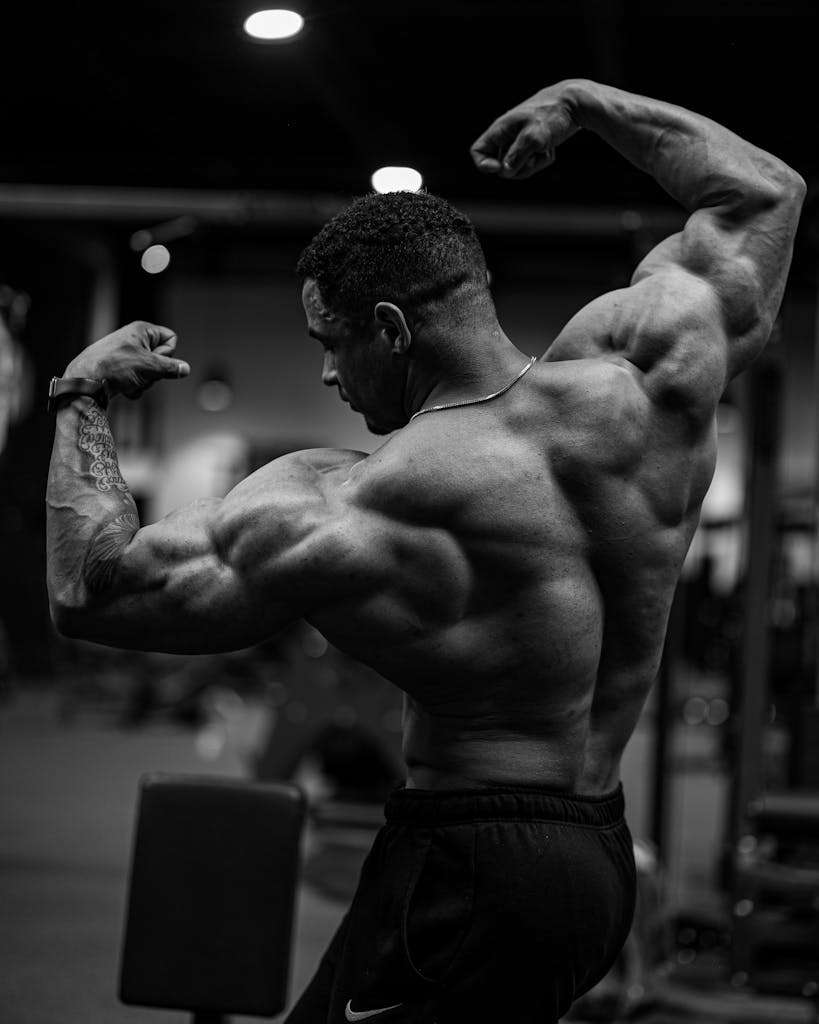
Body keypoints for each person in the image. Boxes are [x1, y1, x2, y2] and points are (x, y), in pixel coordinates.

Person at [45, 80, 804, 1023]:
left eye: (332, 342)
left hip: (473, 871)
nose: (328, 371)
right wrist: (584, 104)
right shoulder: (643, 381)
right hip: (597, 859)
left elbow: (90, 592)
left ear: (393, 329)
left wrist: (79, 397)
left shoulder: (356, 500)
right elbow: (761, 193)